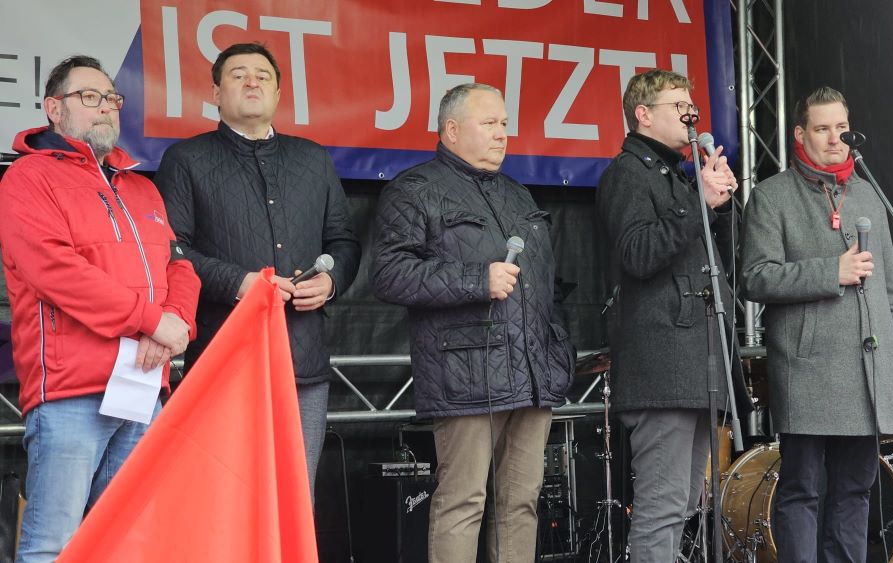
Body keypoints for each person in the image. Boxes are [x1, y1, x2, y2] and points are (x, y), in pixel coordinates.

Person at [0, 55, 200, 562]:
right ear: (53, 109)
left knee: (129, 546)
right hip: (72, 391)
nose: (106, 108)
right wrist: (152, 321)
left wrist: (171, 325)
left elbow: (182, 268)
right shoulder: (28, 178)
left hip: (143, 386)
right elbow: (55, 272)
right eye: (89, 97)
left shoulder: (142, 187)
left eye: (111, 98)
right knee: (53, 546)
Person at [370, 83, 575, 563]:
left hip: (531, 374)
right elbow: (388, 275)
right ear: (452, 129)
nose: (502, 134)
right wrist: (473, 280)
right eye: (490, 124)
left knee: (520, 502)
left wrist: (556, 350)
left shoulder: (518, 194)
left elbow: (545, 286)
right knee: (464, 501)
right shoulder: (415, 189)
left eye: (504, 124)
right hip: (465, 375)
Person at [155, 43, 361, 497]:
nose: (252, 82)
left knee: (294, 498)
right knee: (223, 500)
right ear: (214, 92)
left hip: (302, 362)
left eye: (263, 76)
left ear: (279, 93)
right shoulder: (186, 160)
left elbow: (344, 241)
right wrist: (238, 283)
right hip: (222, 358)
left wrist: (331, 282)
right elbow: (172, 250)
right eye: (238, 75)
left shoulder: (312, 158)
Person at [741, 86, 893, 562]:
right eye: (823, 128)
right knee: (802, 490)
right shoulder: (771, 196)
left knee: (856, 491)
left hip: (867, 368)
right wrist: (829, 272)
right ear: (800, 133)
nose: (836, 138)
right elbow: (754, 277)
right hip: (807, 369)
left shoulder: (869, 196)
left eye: (842, 128)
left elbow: (891, 288)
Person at [595, 69, 744, 562]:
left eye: (691, 102)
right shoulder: (627, 173)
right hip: (662, 366)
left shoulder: (675, 177)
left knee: (684, 502)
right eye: (677, 103)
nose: (690, 112)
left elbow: (721, 264)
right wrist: (695, 201)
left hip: (694, 360)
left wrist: (718, 208)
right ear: (643, 114)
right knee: (662, 506)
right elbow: (637, 253)